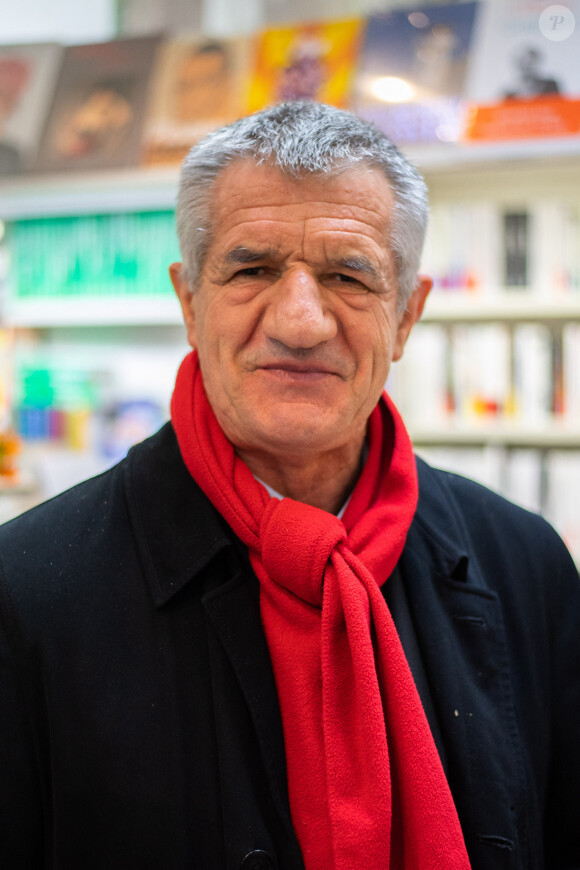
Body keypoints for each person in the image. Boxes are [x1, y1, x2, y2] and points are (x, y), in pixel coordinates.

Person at [0, 101, 578, 870]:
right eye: (252, 268)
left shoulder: (526, 565)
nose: (301, 321)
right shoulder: (26, 593)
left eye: (347, 275)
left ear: (407, 316)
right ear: (188, 302)